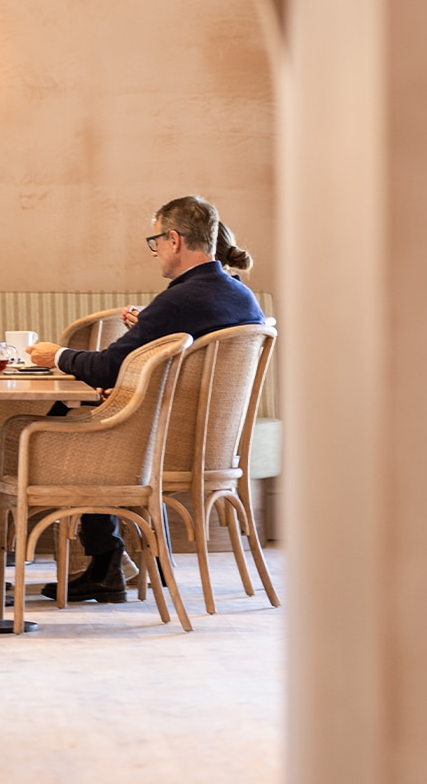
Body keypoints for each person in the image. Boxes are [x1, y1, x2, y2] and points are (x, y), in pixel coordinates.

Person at [24, 195, 265, 604]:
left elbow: (105, 367)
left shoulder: (182, 298)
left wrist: (57, 356)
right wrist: (147, 336)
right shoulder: (237, 294)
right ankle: (106, 567)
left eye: (155, 242)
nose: (155, 253)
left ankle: (92, 554)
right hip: (210, 443)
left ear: (174, 240)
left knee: (81, 428)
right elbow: (179, 364)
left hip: (161, 443)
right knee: (94, 413)